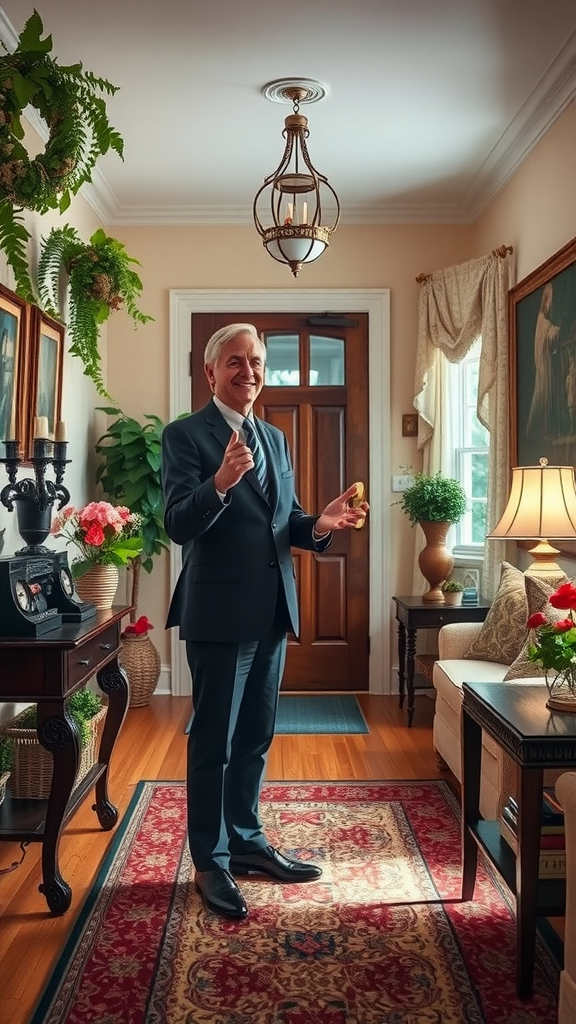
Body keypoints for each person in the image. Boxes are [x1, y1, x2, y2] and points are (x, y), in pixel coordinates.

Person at [161, 323, 368, 920]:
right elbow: (177, 523)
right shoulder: (185, 436)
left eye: (255, 361)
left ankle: (247, 841)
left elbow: (289, 523)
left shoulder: (274, 439)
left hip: (273, 611)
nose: (248, 371)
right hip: (218, 614)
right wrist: (220, 483)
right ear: (211, 373)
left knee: (254, 735)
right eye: (235, 362)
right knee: (213, 742)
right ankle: (211, 860)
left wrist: (321, 523)